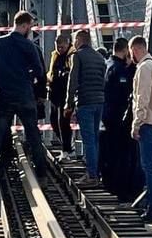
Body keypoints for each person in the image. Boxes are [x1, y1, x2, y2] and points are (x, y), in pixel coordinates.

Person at [0, 10, 48, 183]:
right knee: (34, 137)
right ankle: (42, 176)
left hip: (2, 95)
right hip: (24, 95)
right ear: (25, 25)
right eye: (31, 26)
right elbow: (40, 71)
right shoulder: (30, 46)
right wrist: (27, 77)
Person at [129, 36, 152, 222]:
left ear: (135, 49)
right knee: (151, 166)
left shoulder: (144, 68)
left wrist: (136, 124)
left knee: (149, 167)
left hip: (147, 123)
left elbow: (141, 99)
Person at [64, 28, 105, 182]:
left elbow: (73, 81)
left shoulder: (77, 56)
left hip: (85, 101)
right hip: (99, 101)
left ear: (79, 40)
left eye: (74, 40)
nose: (73, 43)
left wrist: (68, 104)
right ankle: (95, 171)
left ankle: (91, 174)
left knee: (88, 139)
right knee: (94, 139)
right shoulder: (100, 57)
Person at [101, 37, 138, 200]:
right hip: (119, 120)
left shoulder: (108, 65)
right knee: (122, 155)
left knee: (111, 153)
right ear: (125, 51)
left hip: (108, 117)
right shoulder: (119, 69)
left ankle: (110, 185)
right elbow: (124, 95)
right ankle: (122, 190)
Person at [47, 33, 74, 154]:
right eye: (58, 47)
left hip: (65, 94)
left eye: (62, 47)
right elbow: (51, 72)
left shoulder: (72, 56)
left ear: (67, 44)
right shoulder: (55, 56)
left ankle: (67, 148)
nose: (60, 49)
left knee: (63, 122)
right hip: (55, 93)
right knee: (54, 121)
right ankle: (65, 144)